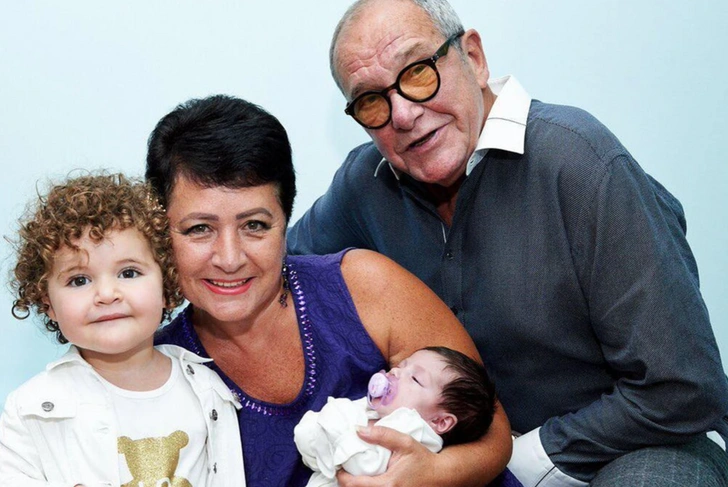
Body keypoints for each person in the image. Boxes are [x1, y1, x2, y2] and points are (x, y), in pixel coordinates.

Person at [286, 0, 728, 485]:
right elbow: (277, 271)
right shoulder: (365, 183)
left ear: (474, 58)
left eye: (417, 72)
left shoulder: (582, 163)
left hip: (641, 444)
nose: (404, 115)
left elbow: (683, 389)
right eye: (371, 100)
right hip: (453, 453)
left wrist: (504, 461)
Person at [146, 94, 515, 487]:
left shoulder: (362, 286)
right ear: (160, 229)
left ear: (286, 219)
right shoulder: (151, 372)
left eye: (254, 225)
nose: (230, 258)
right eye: (199, 229)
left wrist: (432, 474)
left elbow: (492, 430)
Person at [0, 173, 245, 487]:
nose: (106, 294)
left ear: (166, 283)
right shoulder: (30, 409)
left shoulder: (206, 392)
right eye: (79, 280)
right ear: (48, 303)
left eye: (129, 273)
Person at [295, 346, 521, 487]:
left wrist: (333, 421)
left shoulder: (414, 431)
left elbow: (360, 464)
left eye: (415, 379)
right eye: (401, 366)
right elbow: (306, 440)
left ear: (440, 421)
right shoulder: (372, 411)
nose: (395, 372)